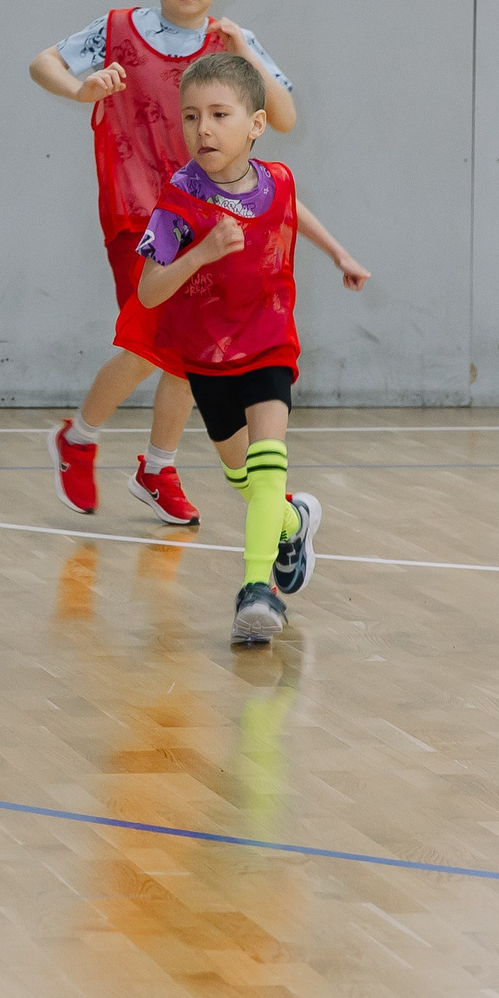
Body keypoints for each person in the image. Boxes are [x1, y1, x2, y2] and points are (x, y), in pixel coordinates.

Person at [29, 0, 295, 526]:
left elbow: (282, 117)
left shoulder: (231, 45)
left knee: (188, 351)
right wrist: (80, 89)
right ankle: (83, 437)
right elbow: (43, 61)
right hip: (136, 214)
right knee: (153, 342)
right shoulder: (117, 30)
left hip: (208, 220)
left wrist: (248, 52)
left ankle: (155, 465)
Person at [135, 52, 368, 645]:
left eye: (218, 114)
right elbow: (149, 289)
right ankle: (295, 521)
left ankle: (256, 591)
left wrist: (339, 252)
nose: (203, 129)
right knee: (245, 478)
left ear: (255, 125)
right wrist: (202, 254)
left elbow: (293, 211)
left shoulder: (279, 180)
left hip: (268, 345)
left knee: (268, 469)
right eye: (190, 117)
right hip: (206, 360)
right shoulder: (177, 202)